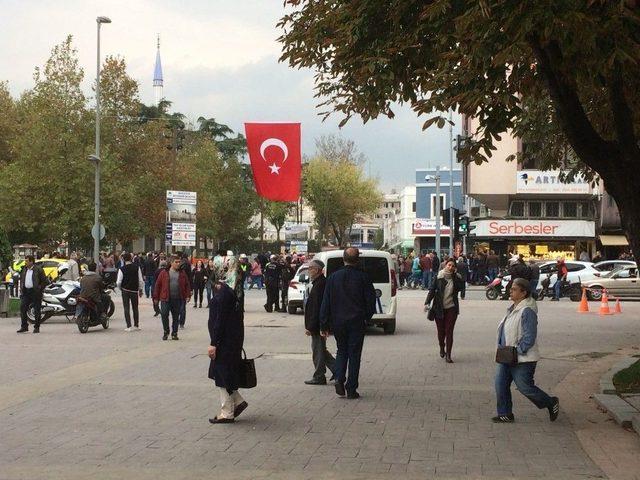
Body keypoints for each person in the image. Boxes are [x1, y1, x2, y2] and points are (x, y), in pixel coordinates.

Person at [493, 278, 559, 423]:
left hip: (522, 358)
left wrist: (518, 351)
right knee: (500, 384)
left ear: (524, 293)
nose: (510, 290)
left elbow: (529, 336)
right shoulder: (513, 308)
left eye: (514, 289)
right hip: (506, 355)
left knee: (525, 387)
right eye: (511, 288)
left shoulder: (527, 310)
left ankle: (550, 402)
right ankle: (505, 413)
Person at [320, 248, 376, 399]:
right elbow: (371, 301)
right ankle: (351, 389)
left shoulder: (333, 277)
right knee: (354, 354)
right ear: (357, 260)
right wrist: (367, 317)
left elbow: (326, 302)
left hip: (338, 321)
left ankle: (339, 377)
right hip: (357, 321)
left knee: (341, 350)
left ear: (343, 259)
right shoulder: (363, 277)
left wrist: (324, 324)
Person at [208, 280, 247, 424]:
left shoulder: (224, 294)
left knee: (221, 374)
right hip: (232, 340)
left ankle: (227, 412)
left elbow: (220, 320)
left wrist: (214, 343)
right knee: (221, 373)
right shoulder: (233, 291)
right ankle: (237, 401)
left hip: (224, 342)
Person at [424, 259, 465, 363]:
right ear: (445, 265)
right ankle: (442, 347)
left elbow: (461, 288)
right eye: (449, 265)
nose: (450, 267)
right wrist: (427, 302)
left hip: (452, 308)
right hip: (439, 308)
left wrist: (458, 278)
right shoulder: (439, 277)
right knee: (441, 332)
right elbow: (432, 290)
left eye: (453, 266)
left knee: (449, 331)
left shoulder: (455, 278)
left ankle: (448, 354)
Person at [304, 259, 336, 385]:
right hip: (319, 324)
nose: (308, 270)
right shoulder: (319, 283)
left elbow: (317, 308)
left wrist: (311, 327)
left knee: (318, 350)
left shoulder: (320, 284)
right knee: (320, 349)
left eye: (310, 268)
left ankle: (319, 376)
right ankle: (337, 369)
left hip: (318, 324)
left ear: (317, 270)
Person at [153, 256, 191, 340]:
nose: (178, 264)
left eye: (179, 262)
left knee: (175, 316)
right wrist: (156, 297)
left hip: (177, 298)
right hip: (165, 298)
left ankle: (174, 333)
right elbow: (158, 285)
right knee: (164, 314)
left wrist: (188, 295)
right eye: (176, 262)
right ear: (171, 263)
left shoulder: (182, 273)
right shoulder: (164, 272)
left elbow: (187, 284)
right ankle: (166, 331)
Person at [17, 255, 48, 334]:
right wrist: (22, 288)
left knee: (37, 310)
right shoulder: (24, 269)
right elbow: (22, 279)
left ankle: (36, 327)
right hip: (26, 292)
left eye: (27, 261)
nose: (25, 262)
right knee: (23, 308)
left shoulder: (38, 269)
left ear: (31, 261)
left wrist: (39, 288)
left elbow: (45, 281)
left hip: (35, 292)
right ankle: (24, 326)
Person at [116, 252, 144, 332]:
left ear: (123, 259)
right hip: (134, 290)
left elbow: (118, 282)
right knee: (135, 308)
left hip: (125, 290)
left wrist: (120, 288)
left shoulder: (122, 269)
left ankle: (128, 326)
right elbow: (140, 280)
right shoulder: (137, 267)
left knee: (126, 308)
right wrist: (140, 289)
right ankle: (136, 325)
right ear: (131, 259)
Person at [179, 253, 193, 328]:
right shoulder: (188, 264)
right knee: (183, 306)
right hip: (185, 286)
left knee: (177, 306)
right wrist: (191, 289)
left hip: (178, 286)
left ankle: (178, 320)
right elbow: (190, 277)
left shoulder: (179, 263)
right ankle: (182, 323)